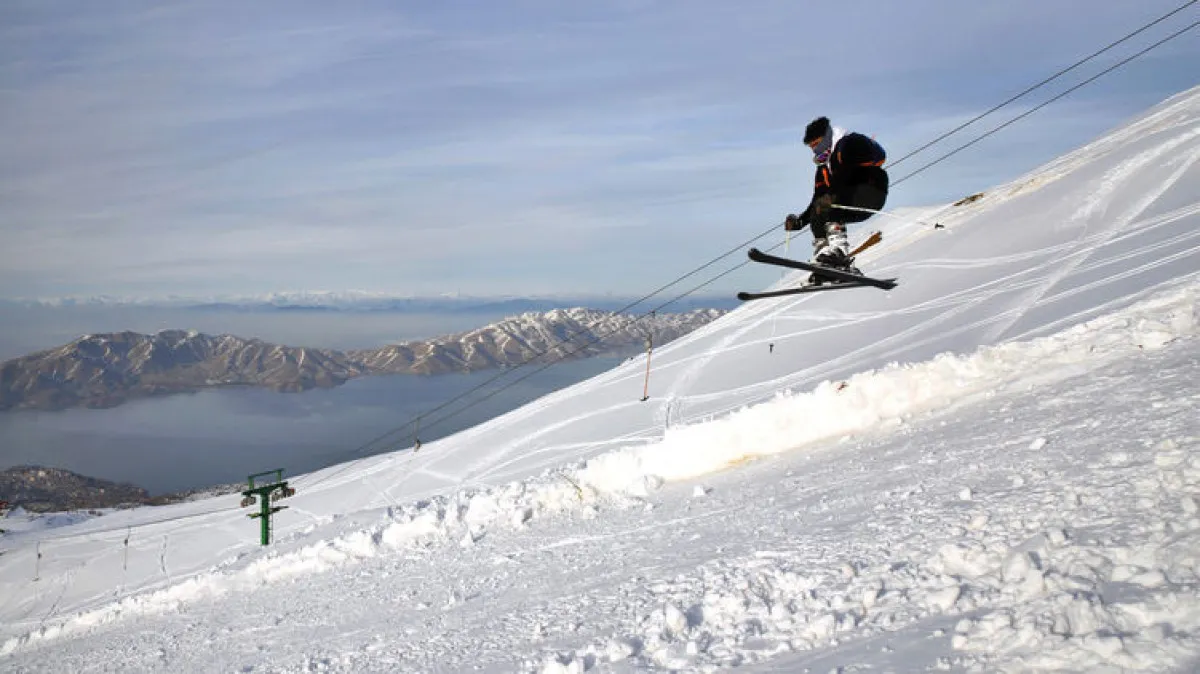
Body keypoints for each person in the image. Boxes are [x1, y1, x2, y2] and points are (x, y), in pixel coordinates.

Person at [784, 116, 889, 283]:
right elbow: (818, 198)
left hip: (869, 192)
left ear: (826, 137)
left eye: (816, 143)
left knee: (828, 203)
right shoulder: (824, 167)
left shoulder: (849, 143)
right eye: (811, 147)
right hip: (844, 199)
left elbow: (868, 157)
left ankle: (838, 254)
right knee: (818, 212)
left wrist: (833, 193)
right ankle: (825, 261)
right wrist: (799, 222)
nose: (814, 149)